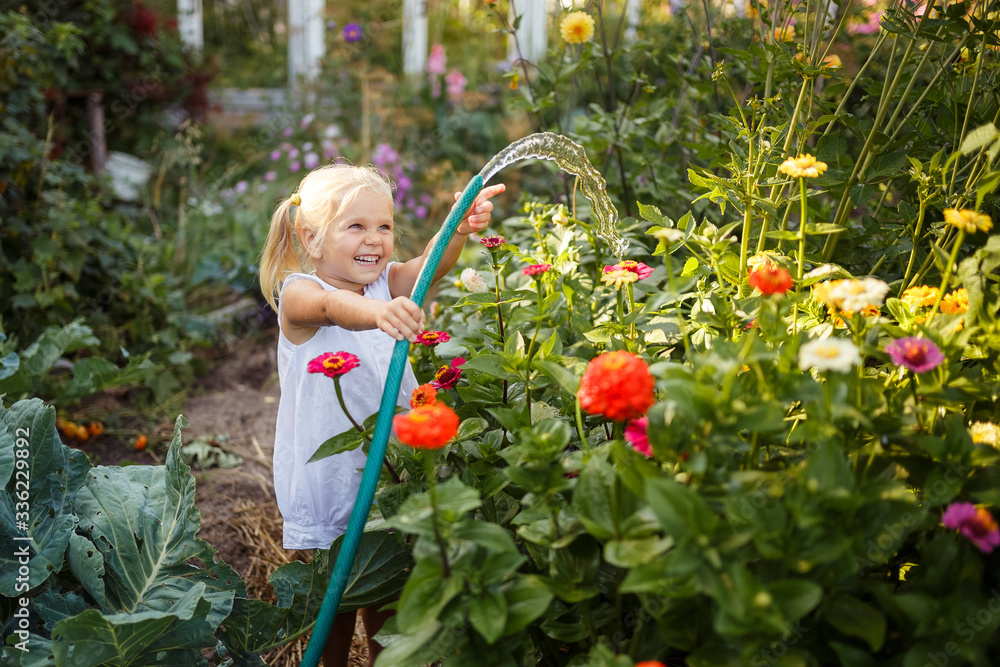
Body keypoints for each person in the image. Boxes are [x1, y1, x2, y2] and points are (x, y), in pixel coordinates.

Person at [258, 163, 504, 666]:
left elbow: (427, 268)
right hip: (328, 474)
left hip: (389, 468)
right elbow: (329, 307)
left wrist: (454, 228)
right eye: (356, 227)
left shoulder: (384, 284)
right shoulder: (298, 292)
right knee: (336, 595)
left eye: (385, 226)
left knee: (387, 586)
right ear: (312, 237)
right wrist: (378, 313)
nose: (375, 239)